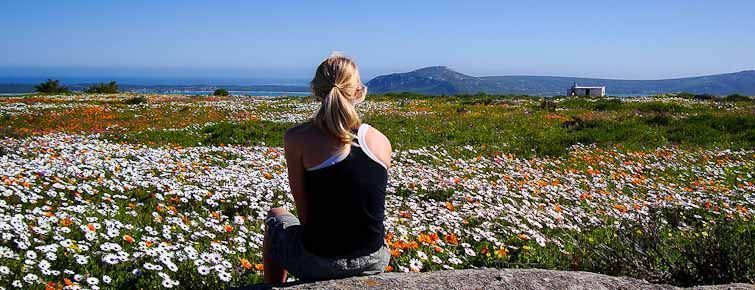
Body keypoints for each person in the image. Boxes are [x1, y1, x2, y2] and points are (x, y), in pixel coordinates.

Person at [263, 53, 392, 284]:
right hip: (374, 258)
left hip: (319, 261)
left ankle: (272, 286)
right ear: (359, 91)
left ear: (316, 90)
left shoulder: (297, 138)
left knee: (276, 215)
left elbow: (304, 214)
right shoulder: (380, 141)